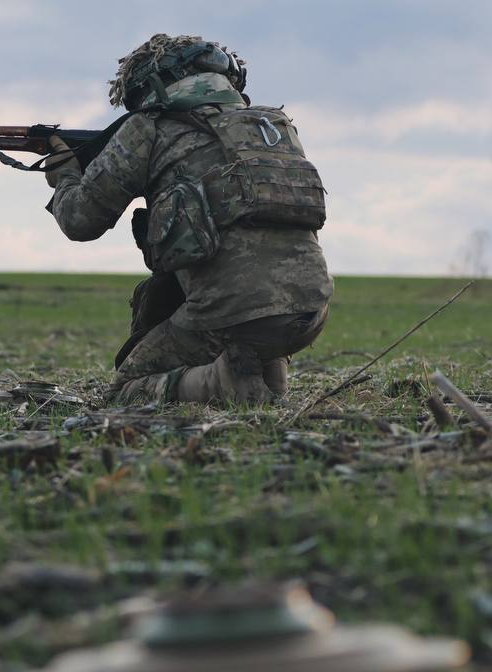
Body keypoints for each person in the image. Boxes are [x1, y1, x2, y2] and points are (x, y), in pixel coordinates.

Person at [43, 34, 333, 405]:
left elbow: (79, 220)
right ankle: (267, 381)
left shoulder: (148, 128)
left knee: (124, 392)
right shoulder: (273, 127)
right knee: (233, 300)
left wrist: (65, 176)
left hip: (231, 315)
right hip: (312, 308)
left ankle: (221, 382)